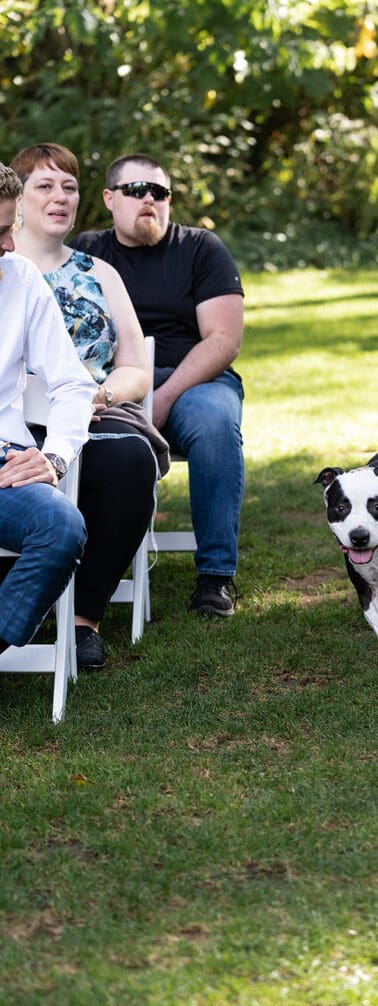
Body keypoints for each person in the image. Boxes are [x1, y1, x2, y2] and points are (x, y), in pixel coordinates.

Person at [71, 153, 245, 618]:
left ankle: (215, 577)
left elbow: (224, 340)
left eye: (160, 192)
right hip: (111, 383)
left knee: (215, 425)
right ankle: (73, 560)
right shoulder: (87, 254)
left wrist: (162, 396)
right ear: (109, 199)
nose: (149, 199)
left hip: (191, 380)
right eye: (135, 190)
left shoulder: (202, 248)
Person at [11, 143, 162, 671]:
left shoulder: (98, 272)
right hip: (13, 426)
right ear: (17, 198)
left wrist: (99, 395)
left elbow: (137, 368)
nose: (59, 198)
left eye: (69, 187)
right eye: (44, 186)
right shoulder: (5, 272)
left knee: (129, 463)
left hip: (93, 419)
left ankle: (84, 619)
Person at [0, 162, 97, 657]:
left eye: (11, 227)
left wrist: (56, 457)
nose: (10, 245)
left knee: (61, 527)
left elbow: (73, 385)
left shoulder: (20, 279)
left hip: (6, 464)